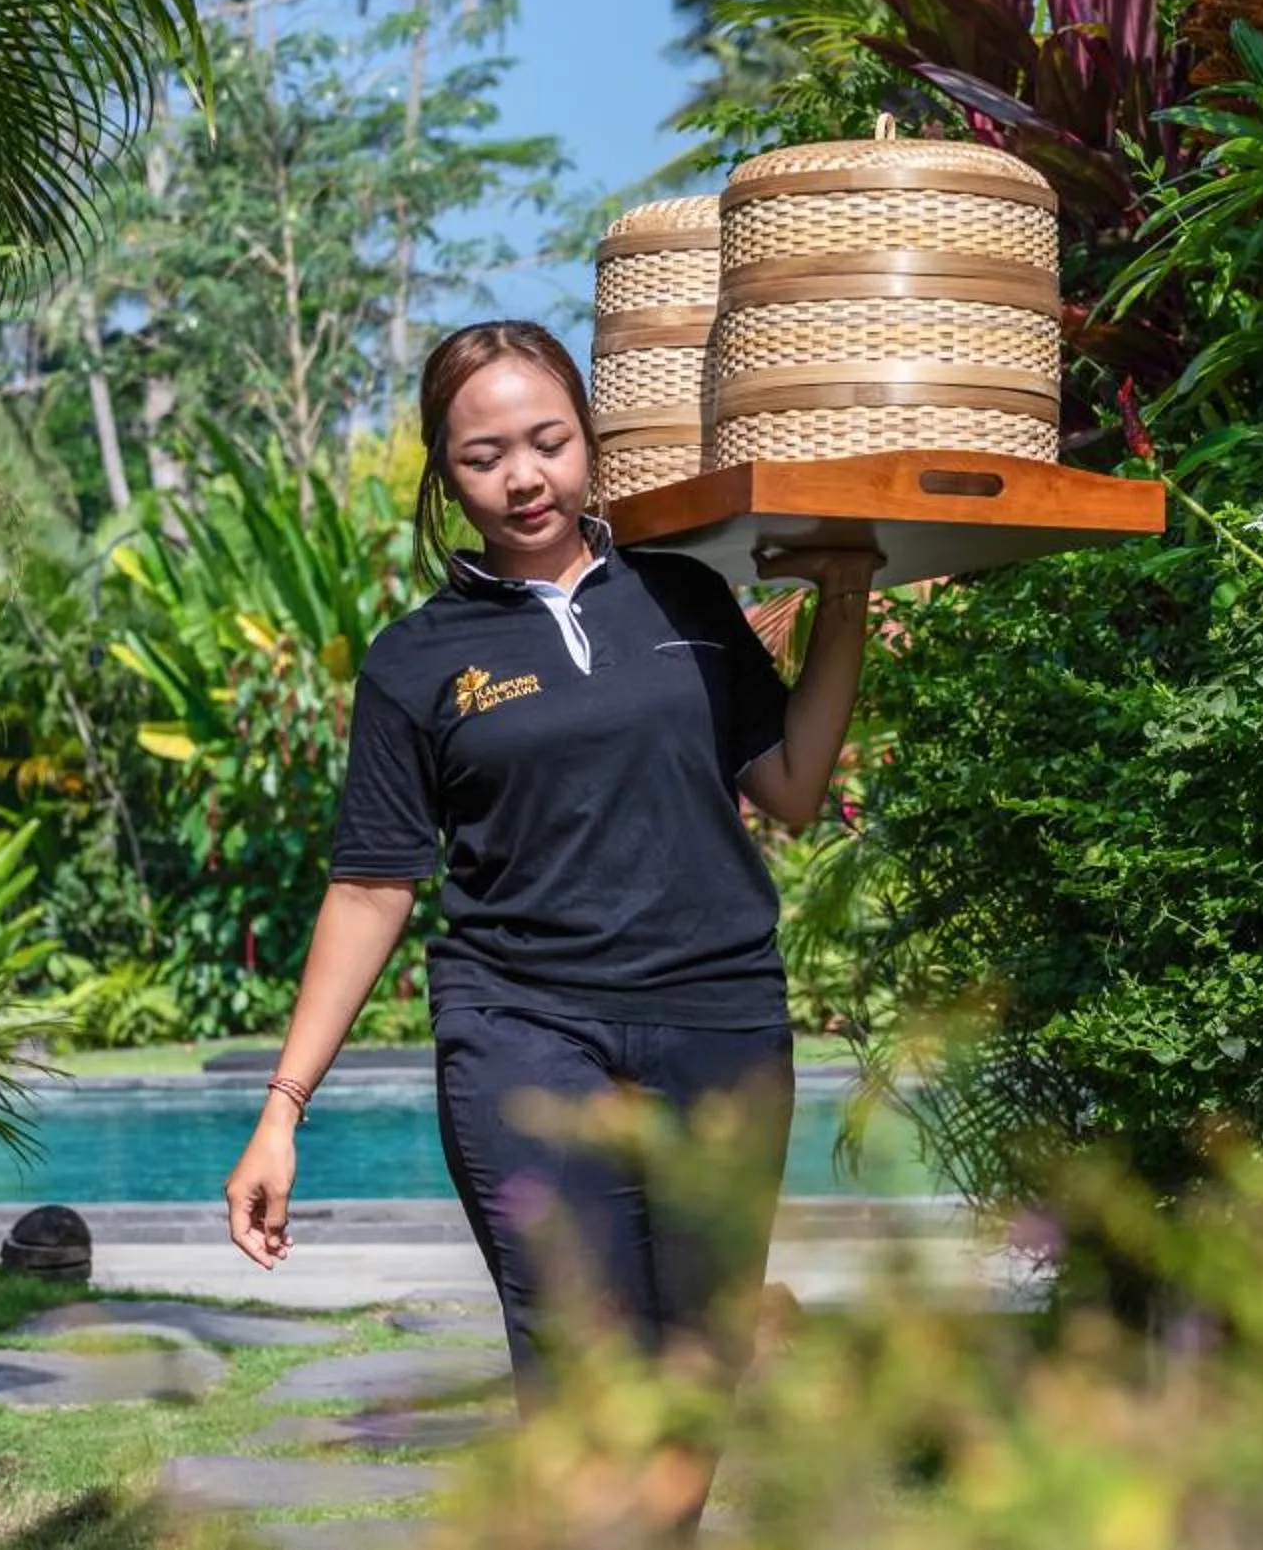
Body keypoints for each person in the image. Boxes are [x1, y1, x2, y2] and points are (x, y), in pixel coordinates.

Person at [222, 320, 876, 1468]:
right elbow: (373, 887)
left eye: (548, 441)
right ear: (444, 472)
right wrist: (283, 1107)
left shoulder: (682, 596)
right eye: (483, 457)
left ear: (589, 439)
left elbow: (792, 786)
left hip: (719, 1021)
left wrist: (848, 603)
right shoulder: (416, 660)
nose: (524, 477)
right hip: (523, 1027)